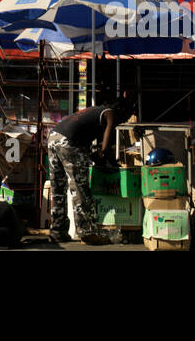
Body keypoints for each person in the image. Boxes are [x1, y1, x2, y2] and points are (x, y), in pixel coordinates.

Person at [48, 92, 137, 243]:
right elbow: (106, 146)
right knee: (79, 187)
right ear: (121, 111)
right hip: (68, 142)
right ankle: (87, 232)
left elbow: (87, 142)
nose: (125, 121)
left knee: (58, 187)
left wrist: (96, 156)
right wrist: (111, 161)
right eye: (127, 117)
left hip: (54, 136)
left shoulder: (95, 111)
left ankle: (58, 231)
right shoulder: (109, 114)